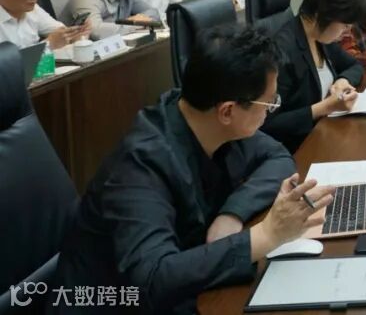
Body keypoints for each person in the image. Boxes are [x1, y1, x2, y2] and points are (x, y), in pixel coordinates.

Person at [49, 24, 332, 315]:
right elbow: (152, 279)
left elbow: (277, 156)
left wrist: (233, 213)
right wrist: (265, 236)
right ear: (227, 111)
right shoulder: (139, 167)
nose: (271, 110)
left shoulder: (204, 116)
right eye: (269, 103)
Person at [263, 0, 366, 152]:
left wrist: (342, 81)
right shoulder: (283, 50)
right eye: (345, 24)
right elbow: (268, 125)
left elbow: (354, 65)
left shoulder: (320, 37)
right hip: (300, 150)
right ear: (324, 13)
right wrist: (323, 108)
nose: (347, 31)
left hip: (327, 134)